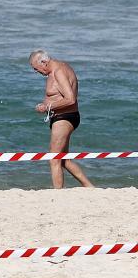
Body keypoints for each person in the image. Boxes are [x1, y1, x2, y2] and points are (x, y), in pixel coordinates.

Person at [29, 49, 94, 189]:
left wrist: (47, 107)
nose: (36, 72)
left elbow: (70, 99)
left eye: (36, 68)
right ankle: (90, 187)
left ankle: (58, 195)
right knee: (64, 159)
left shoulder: (59, 71)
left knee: (54, 158)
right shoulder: (56, 70)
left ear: (44, 62)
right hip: (62, 116)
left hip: (65, 117)